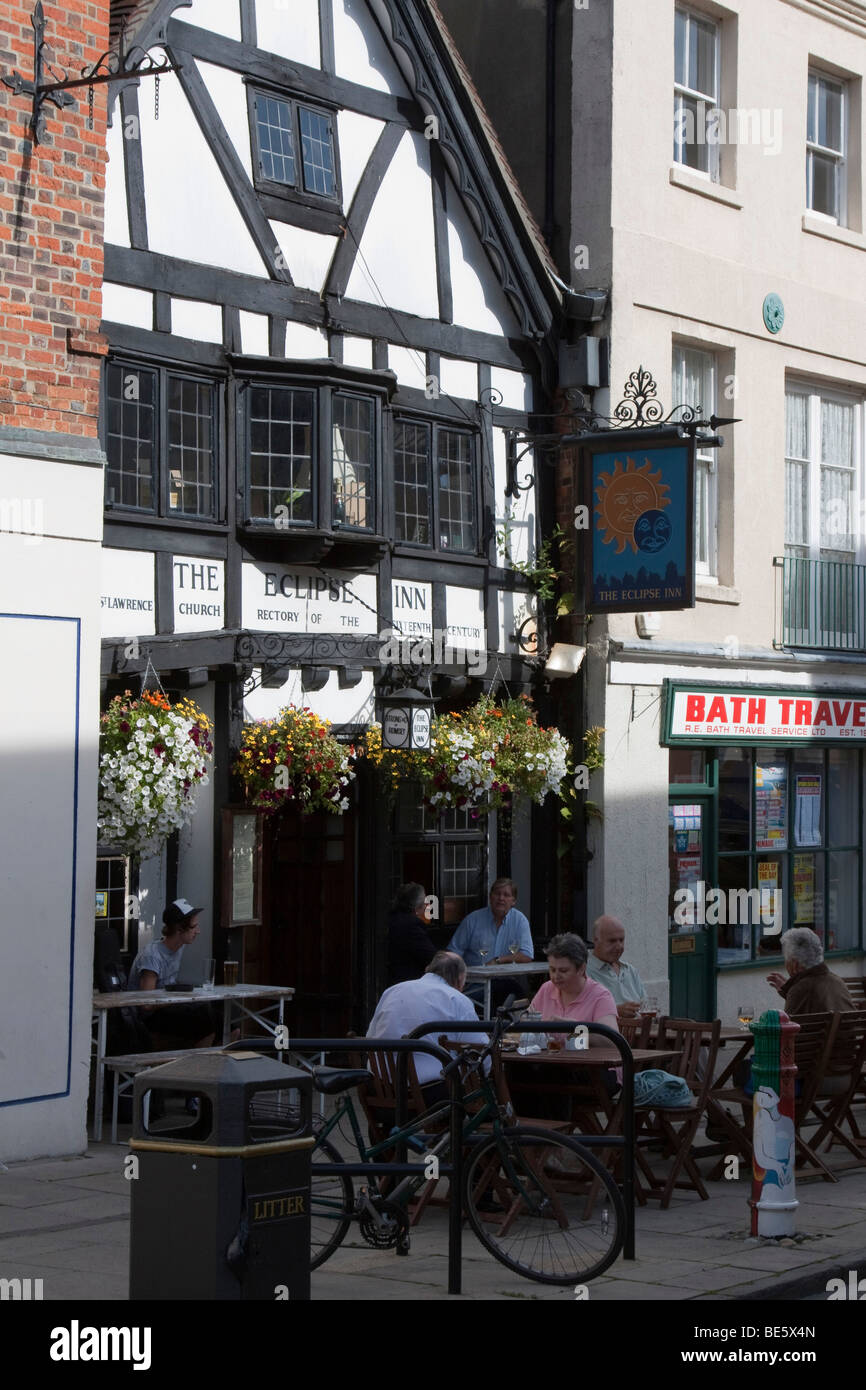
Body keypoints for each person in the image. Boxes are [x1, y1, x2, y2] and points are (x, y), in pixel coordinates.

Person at [367, 951, 482, 1104]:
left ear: (428, 969)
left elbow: (370, 1036)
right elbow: (481, 1053)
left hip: (381, 1090)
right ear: (460, 979)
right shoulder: (457, 999)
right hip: (430, 1094)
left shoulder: (392, 991)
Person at [129, 898, 219, 1048]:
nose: (198, 931)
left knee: (224, 1020)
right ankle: (198, 1066)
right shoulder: (152, 956)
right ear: (179, 929)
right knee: (206, 1020)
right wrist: (175, 998)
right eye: (194, 927)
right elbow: (145, 1004)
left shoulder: (179, 947)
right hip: (148, 1018)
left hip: (167, 1009)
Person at [530, 933, 619, 1045]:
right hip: (547, 1060)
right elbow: (526, 1022)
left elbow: (611, 1039)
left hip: (585, 1061)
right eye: (552, 970)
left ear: (581, 969)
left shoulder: (600, 996)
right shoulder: (546, 989)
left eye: (563, 971)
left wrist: (572, 1027)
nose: (556, 976)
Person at [766, 928, 855, 1015]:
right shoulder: (838, 982)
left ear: (795, 964)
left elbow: (789, 1028)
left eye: (786, 960)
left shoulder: (799, 990)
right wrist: (789, 992)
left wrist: (793, 992)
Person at [448, 878, 533, 966]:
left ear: (513, 901)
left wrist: (498, 960)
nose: (501, 898)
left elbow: (527, 955)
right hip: (476, 977)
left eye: (506, 895)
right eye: (497, 894)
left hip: (508, 977)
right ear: (490, 897)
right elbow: (453, 952)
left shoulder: (520, 920)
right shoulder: (472, 920)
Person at [586, 915, 648, 1019]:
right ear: (596, 940)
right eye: (612, 941)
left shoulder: (630, 970)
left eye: (621, 940)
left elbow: (646, 1005)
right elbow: (581, 1013)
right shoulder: (583, 971)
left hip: (641, 1032)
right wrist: (616, 1010)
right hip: (609, 1033)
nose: (619, 946)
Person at [386, 883, 436, 986]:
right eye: (424, 901)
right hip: (407, 982)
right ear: (418, 906)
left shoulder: (391, 918)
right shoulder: (412, 925)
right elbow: (431, 957)